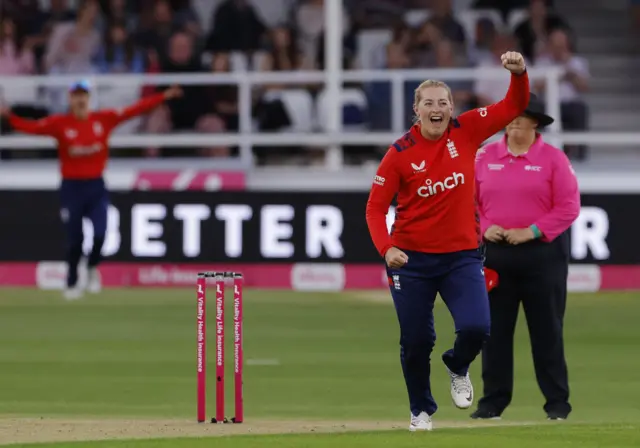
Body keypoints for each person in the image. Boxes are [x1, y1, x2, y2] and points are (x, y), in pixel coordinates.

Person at [365, 51, 530, 432]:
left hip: (462, 257)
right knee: (417, 340)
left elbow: (513, 105)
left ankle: (458, 365)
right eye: (429, 103)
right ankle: (420, 409)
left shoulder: (467, 130)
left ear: (452, 108)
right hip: (412, 262)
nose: (436, 108)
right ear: (416, 110)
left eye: (443, 102)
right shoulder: (399, 154)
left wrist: (519, 74)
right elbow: (375, 209)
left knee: (477, 327)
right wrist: (387, 248)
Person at [0, 81, 182, 300]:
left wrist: (163, 96)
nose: (79, 100)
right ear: (70, 100)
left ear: (89, 99)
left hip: (96, 186)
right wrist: (8, 117)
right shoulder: (60, 124)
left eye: (83, 95)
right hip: (72, 188)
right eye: (75, 96)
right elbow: (32, 127)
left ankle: (92, 268)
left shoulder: (104, 119)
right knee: (75, 239)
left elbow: (137, 109)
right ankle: (72, 281)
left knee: (100, 234)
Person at [472, 93, 580, 421]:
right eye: (510, 115)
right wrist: (485, 226)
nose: (515, 121)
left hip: (542, 254)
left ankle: (557, 404)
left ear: (535, 122)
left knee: (547, 330)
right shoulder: (483, 157)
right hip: (495, 254)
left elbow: (568, 207)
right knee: (494, 332)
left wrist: (531, 231)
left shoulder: (553, 159)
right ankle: (493, 401)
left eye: (522, 115)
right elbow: (467, 203)